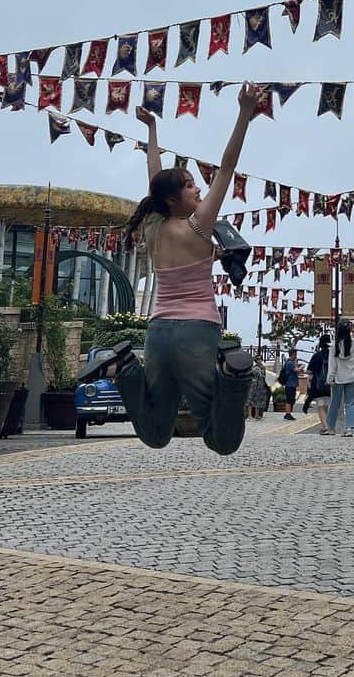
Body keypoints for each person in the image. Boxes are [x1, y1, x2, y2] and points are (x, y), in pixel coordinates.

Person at [78, 86, 261, 455]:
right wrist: (244, 114)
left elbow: (154, 178)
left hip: (159, 332)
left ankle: (125, 368)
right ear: (173, 199)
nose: (199, 189)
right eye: (191, 185)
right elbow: (227, 167)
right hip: (198, 332)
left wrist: (152, 131)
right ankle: (234, 376)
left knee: (156, 432)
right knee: (222, 440)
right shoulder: (199, 225)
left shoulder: (153, 227)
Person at [326, 319, 354, 437]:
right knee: (350, 403)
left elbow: (332, 366)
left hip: (338, 378)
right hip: (353, 377)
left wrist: (329, 379)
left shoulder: (334, 345)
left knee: (335, 403)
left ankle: (331, 428)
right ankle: (349, 429)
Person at [307, 334, 331, 434]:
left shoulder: (316, 356)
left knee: (320, 406)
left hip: (318, 384)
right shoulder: (333, 356)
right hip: (330, 384)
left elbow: (309, 371)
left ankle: (325, 427)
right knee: (326, 405)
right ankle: (325, 425)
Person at [278, 347, 300, 421]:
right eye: (295, 354)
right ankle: (287, 413)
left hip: (291, 384)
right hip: (290, 384)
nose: (296, 356)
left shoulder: (290, 362)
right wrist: (302, 366)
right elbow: (297, 370)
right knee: (289, 399)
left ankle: (289, 413)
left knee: (291, 399)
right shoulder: (290, 363)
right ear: (293, 354)